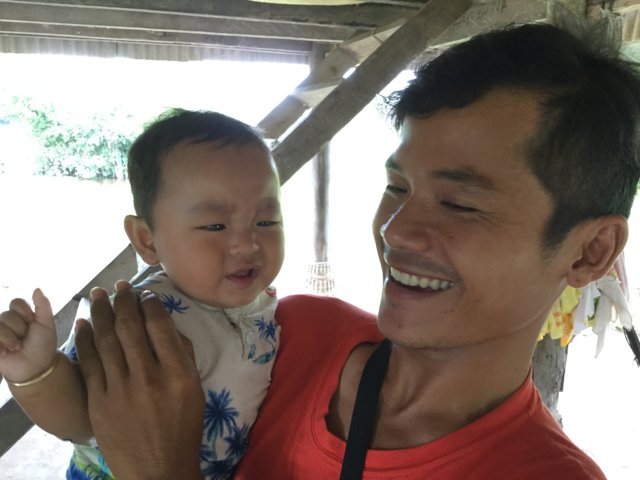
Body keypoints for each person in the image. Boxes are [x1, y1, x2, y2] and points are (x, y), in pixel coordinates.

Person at [31, 19, 640, 479]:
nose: (395, 230)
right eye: (396, 188)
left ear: (590, 251)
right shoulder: (289, 335)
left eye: (458, 203)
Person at [0, 109, 285, 479]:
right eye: (215, 225)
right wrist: (38, 372)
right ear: (147, 240)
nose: (248, 243)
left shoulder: (266, 306)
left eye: (266, 221)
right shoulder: (137, 318)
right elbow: (79, 419)